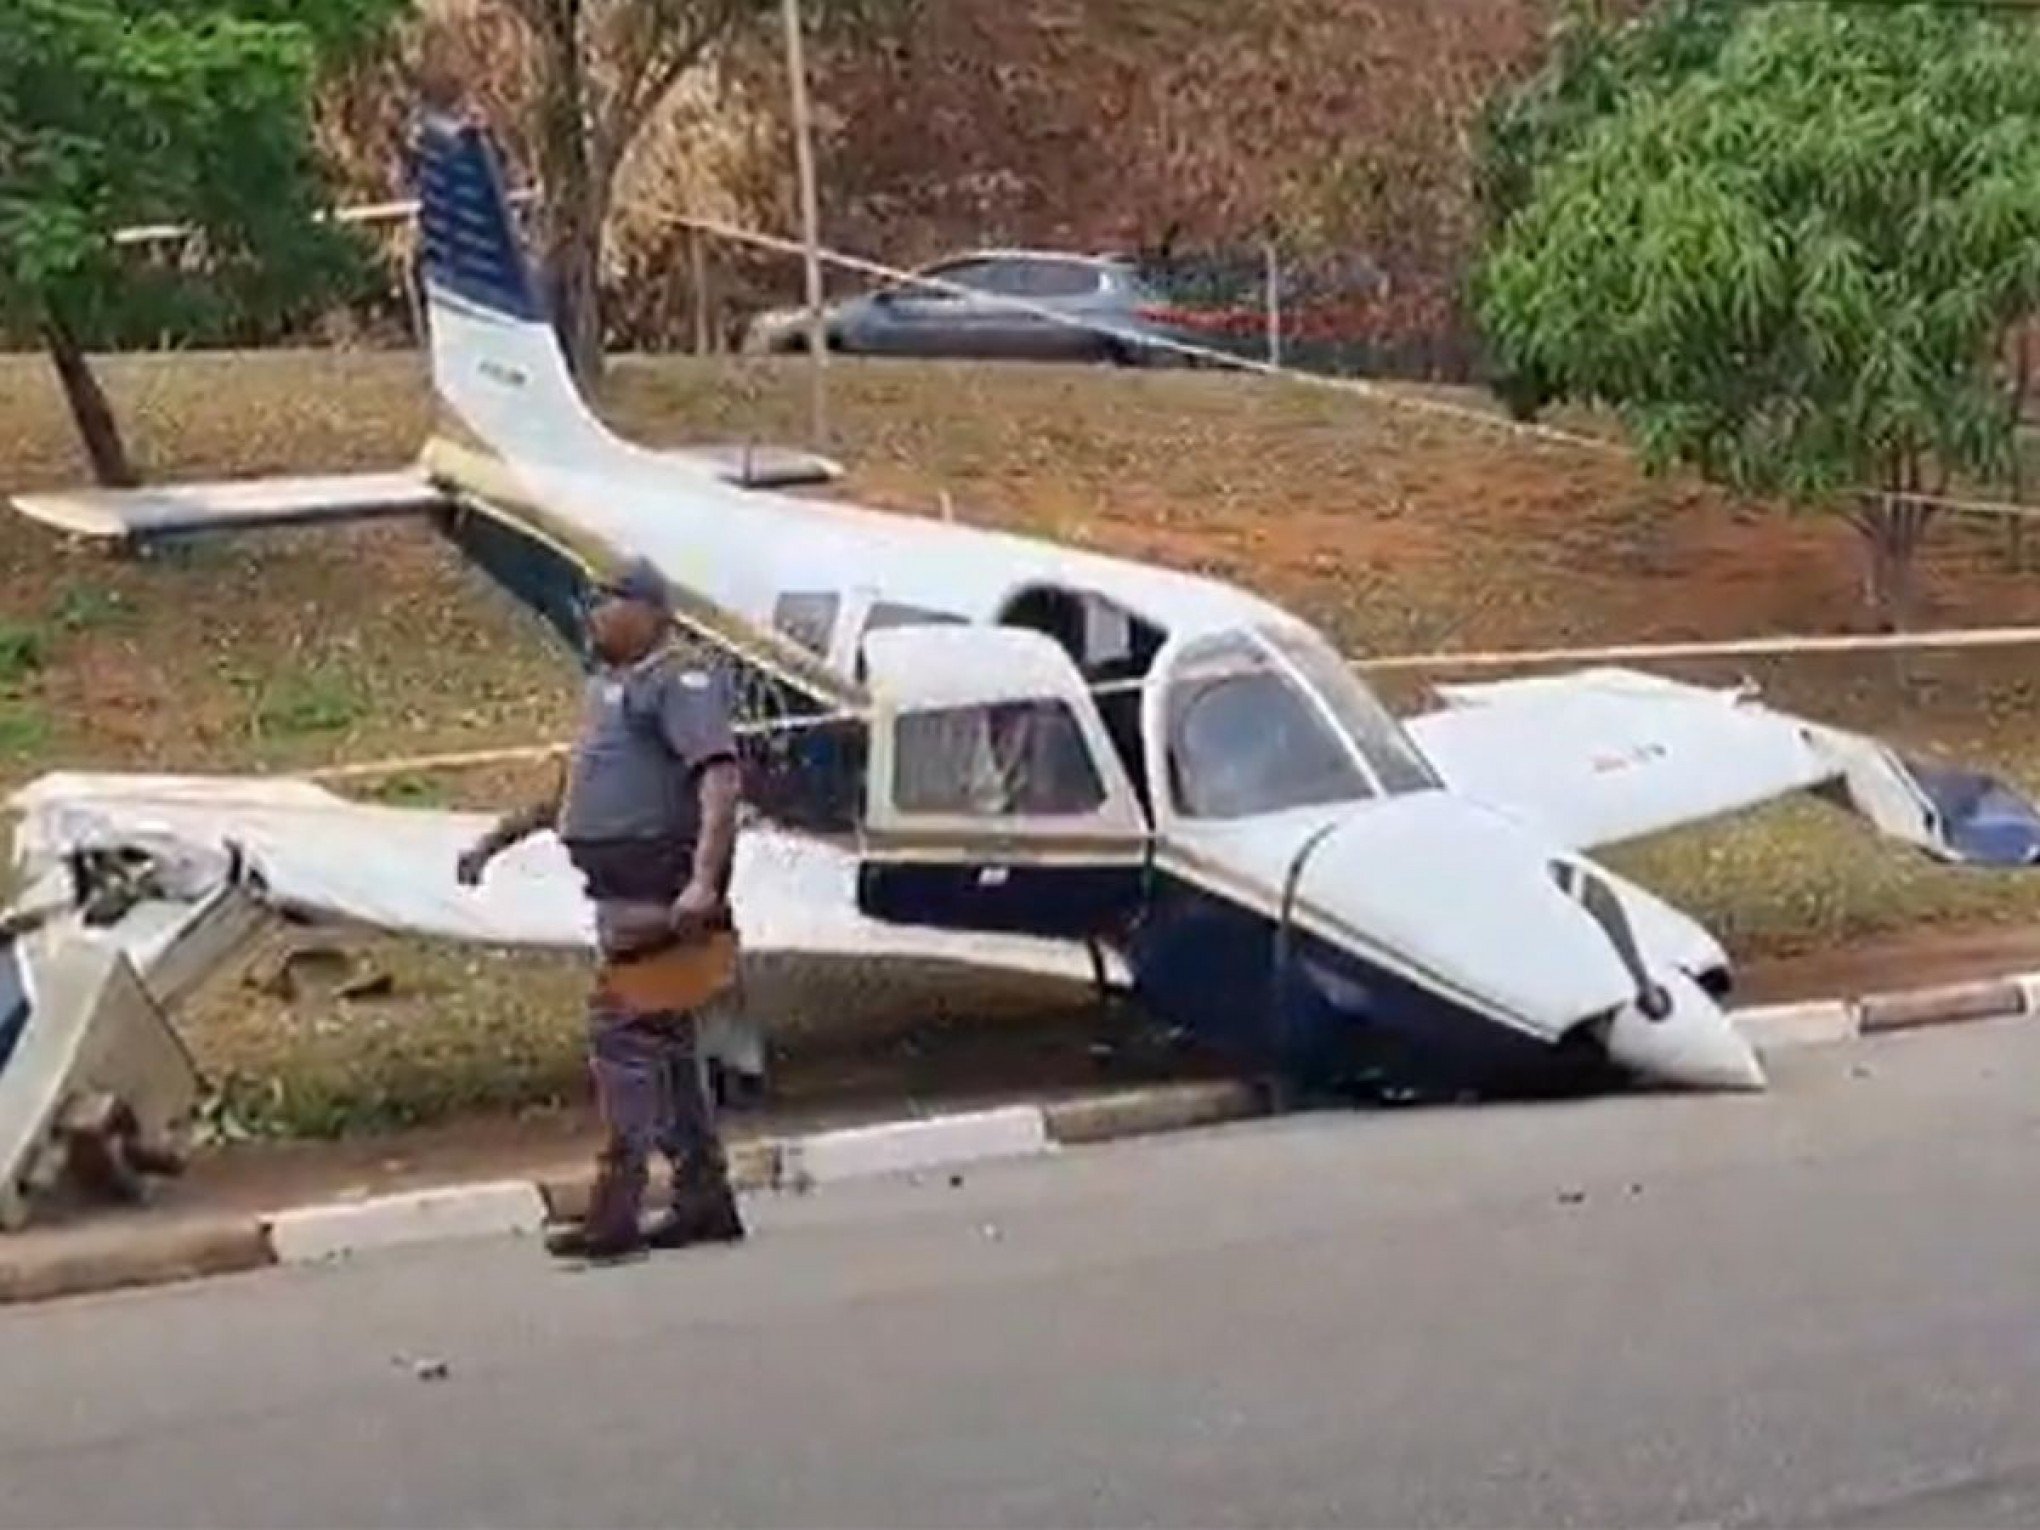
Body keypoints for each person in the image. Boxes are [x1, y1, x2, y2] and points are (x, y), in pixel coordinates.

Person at [458, 556, 746, 1263]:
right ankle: (704, 1197)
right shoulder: (610, 689)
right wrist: (496, 841)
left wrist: (703, 883)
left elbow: (719, 781)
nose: (594, 614)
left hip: (666, 900)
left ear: (652, 611)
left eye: (609, 601)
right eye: (591, 602)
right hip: (624, 900)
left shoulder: (679, 680)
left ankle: (615, 1212)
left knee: (622, 1038)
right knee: (667, 1048)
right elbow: (570, 794)